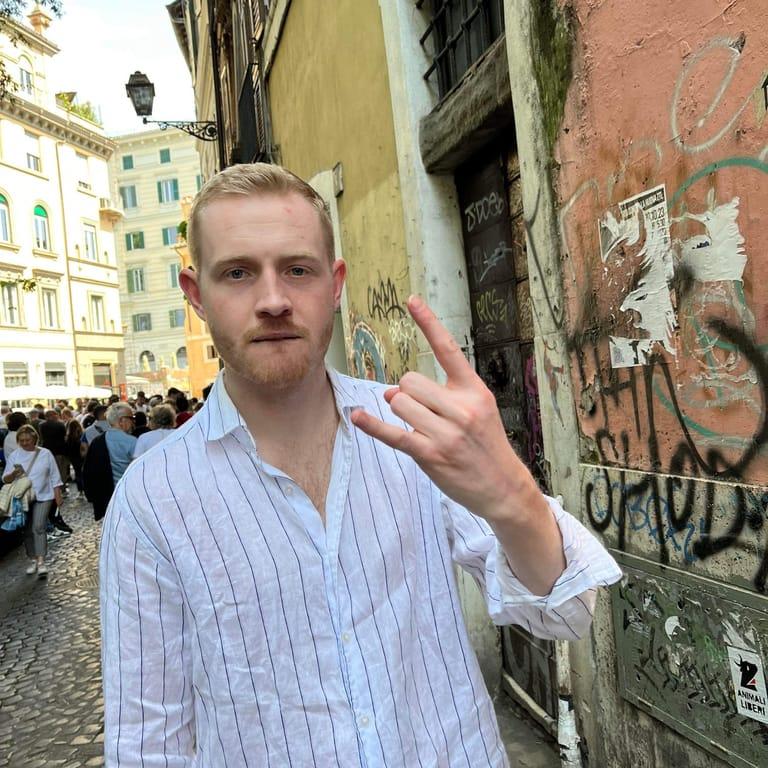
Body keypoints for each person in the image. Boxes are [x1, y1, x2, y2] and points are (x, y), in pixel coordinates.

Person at [100, 163, 622, 767]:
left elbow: (566, 612)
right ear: (196, 294)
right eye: (238, 273)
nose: (273, 300)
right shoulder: (152, 499)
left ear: (335, 283)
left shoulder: (414, 429)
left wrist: (512, 496)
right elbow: (147, 742)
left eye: (298, 270)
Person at [3, 424, 63, 577]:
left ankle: (41, 561)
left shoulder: (46, 454)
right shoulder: (15, 456)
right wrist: (13, 474)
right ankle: (33, 559)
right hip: (24, 498)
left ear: (34, 439)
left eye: (27, 440)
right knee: (27, 530)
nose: (25, 443)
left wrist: (58, 495)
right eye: (21, 440)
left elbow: (55, 476)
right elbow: (5, 479)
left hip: (44, 496)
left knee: (38, 526)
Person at [83, 403, 136, 521]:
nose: (133, 422)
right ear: (122, 420)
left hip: (106, 496)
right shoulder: (132, 442)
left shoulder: (97, 441)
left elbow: (88, 471)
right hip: (129, 494)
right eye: (131, 418)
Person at [64, 419, 85, 500]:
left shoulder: (69, 437)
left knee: (78, 474)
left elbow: (67, 448)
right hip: (82, 457)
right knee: (83, 473)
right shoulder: (82, 434)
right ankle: (86, 489)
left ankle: (80, 491)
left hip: (74, 458)